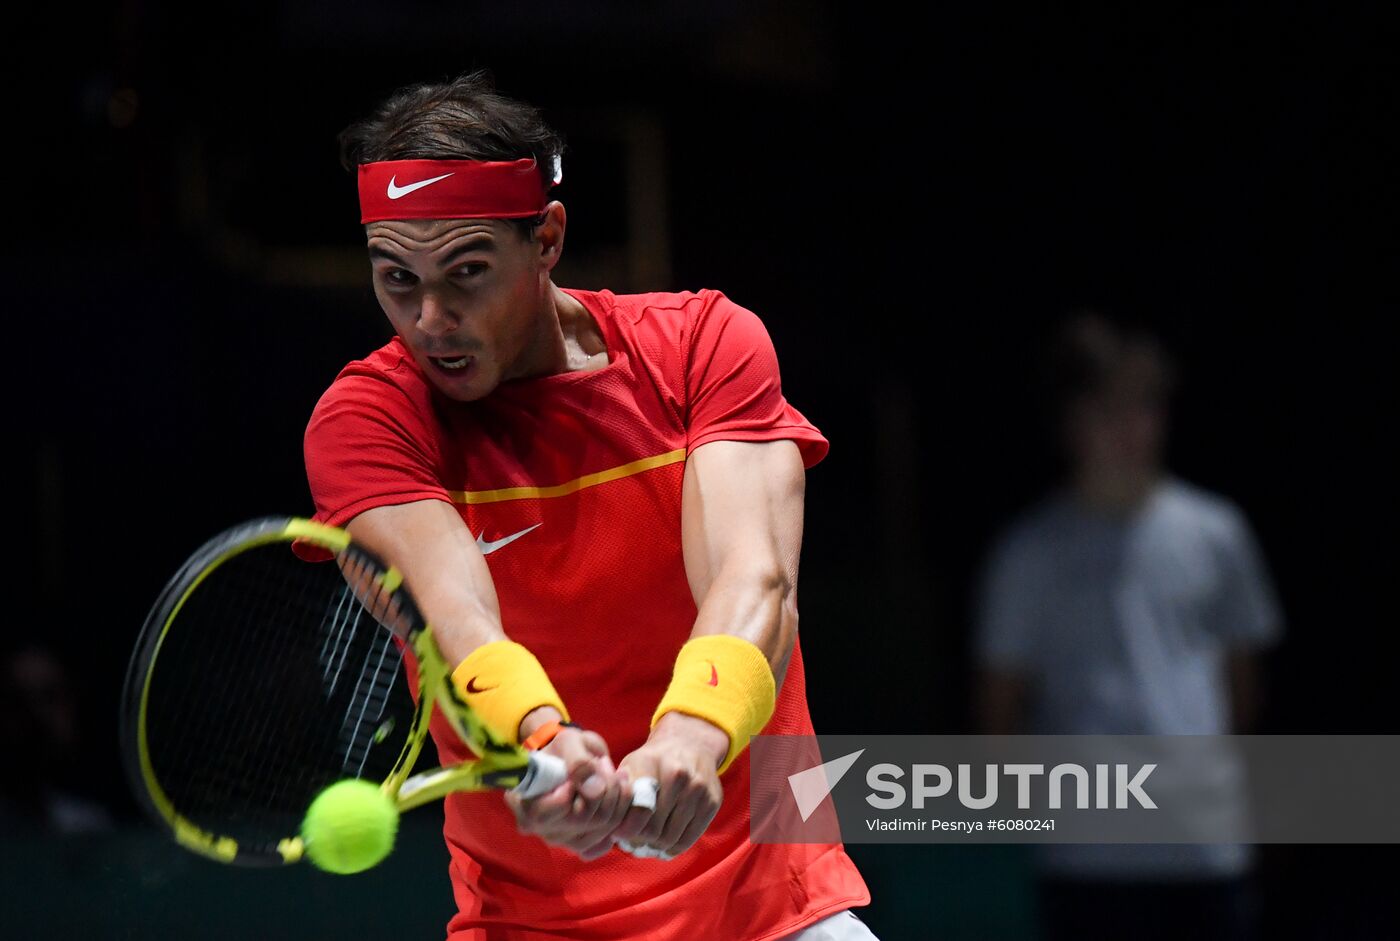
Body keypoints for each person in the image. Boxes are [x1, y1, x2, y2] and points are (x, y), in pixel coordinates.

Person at [301, 73, 873, 941]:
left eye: (467, 271)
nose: (430, 319)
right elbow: (457, 616)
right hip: (531, 922)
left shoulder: (701, 348)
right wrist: (540, 735)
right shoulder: (369, 419)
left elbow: (755, 579)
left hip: (773, 908)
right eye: (396, 277)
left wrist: (692, 735)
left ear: (548, 239)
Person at [973, 313, 1282, 941]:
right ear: (1070, 420)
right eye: (1104, 408)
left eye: (1142, 406)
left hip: (1205, 847)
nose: (1126, 429)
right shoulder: (1026, 553)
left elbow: (1243, 694)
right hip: (1088, 857)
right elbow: (997, 714)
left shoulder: (1217, 534)